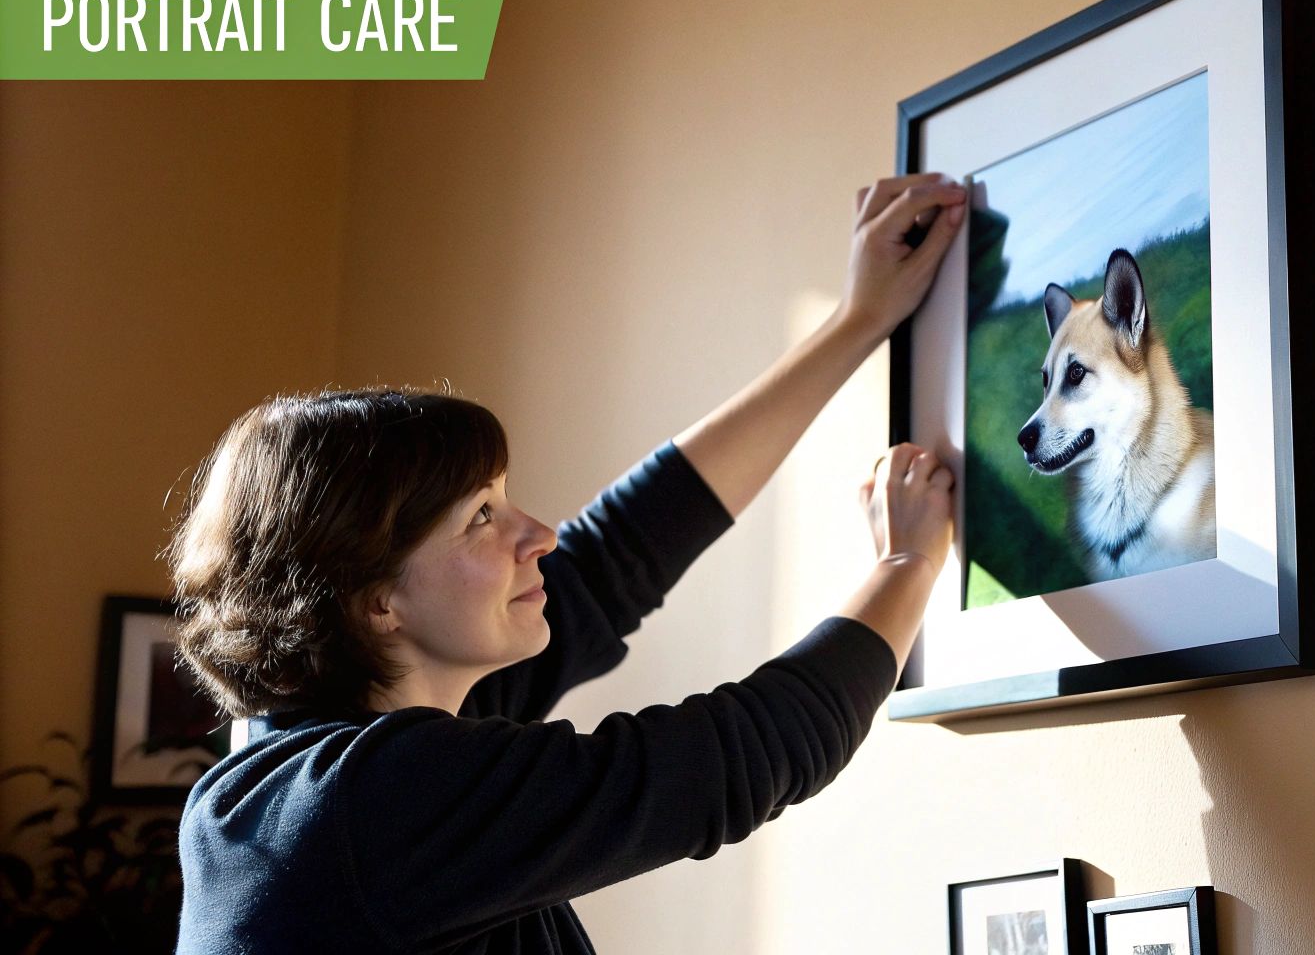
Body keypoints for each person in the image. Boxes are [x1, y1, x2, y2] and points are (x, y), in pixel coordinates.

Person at [164, 173, 970, 953]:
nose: (539, 534)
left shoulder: (337, 752)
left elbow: (621, 552)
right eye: (482, 517)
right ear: (377, 600)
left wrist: (858, 321)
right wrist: (905, 561)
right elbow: (736, 759)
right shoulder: (368, 805)